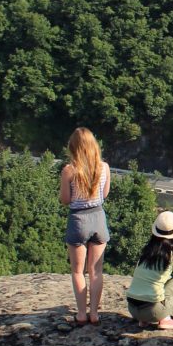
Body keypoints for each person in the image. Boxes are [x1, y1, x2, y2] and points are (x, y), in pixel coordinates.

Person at [59, 127, 111, 325]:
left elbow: (65, 199)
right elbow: (104, 195)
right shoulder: (104, 167)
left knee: (78, 271)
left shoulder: (69, 170)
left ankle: (81, 314)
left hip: (78, 220)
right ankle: (95, 313)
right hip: (98, 217)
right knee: (96, 271)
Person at [127, 211, 173, 330]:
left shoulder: (146, 252)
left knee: (155, 284)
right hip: (154, 311)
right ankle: (168, 319)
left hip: (133, 309)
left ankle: (144, 320)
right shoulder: (172, 256)